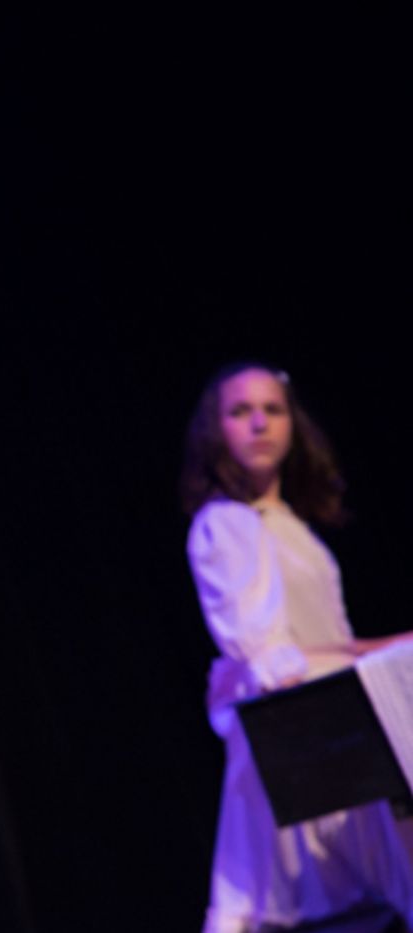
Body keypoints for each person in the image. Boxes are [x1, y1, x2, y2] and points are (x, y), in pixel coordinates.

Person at [181, 362, 413, 932]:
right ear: (216, 432)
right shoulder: (227, 525)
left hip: (329, 705)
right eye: (240, 412)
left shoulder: (290, 526)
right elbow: (269, 659)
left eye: (272, 409)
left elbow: (329, 640)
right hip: (301, 726)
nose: (259, 423)